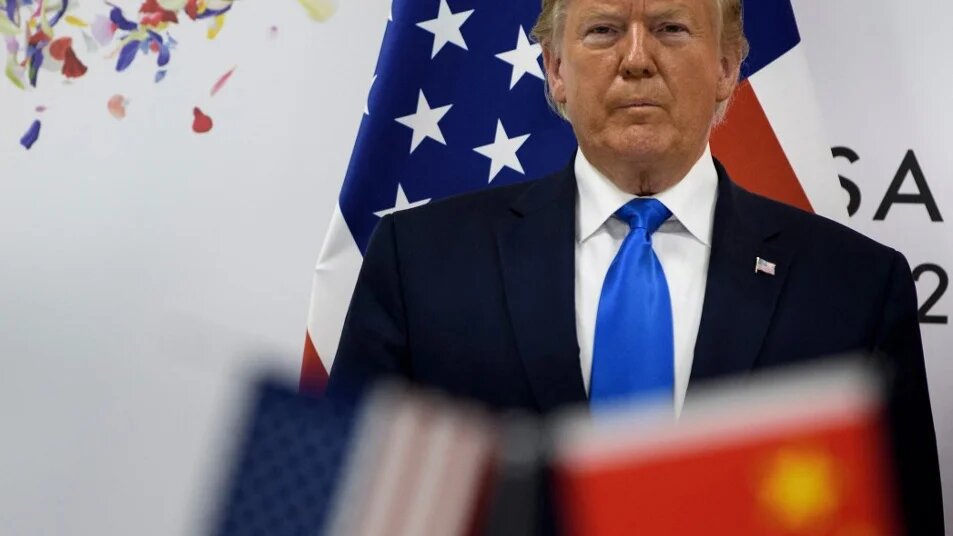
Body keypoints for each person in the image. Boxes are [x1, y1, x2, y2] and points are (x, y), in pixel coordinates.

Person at [328, 0, 943, 532]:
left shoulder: (855, 289)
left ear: (729, 66)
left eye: (672, 28)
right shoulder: (421, 262)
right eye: (603, 30)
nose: (637, 59)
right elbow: (349, 508)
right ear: (555, 68)